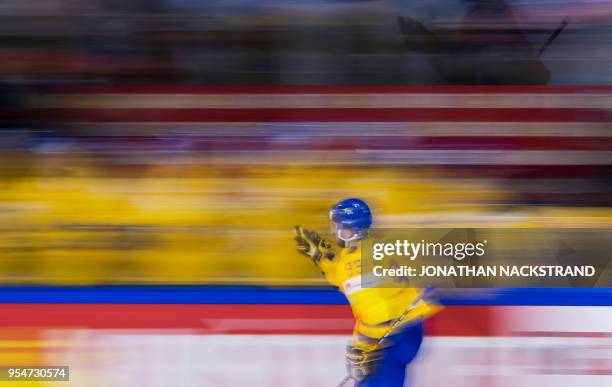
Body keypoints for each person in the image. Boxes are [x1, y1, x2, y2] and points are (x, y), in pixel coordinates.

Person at [294, 198, 439, 386]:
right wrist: (322, 259)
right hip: (409, 328)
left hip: (389, 338)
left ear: (350, 229)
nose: (333, 231)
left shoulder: (354, 264)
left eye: (337, 226)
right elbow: (351, 282)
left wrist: (364, 347)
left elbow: (376, 311)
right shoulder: (379, 247)